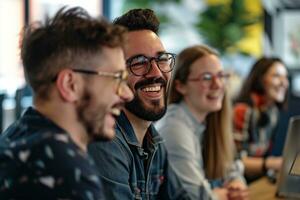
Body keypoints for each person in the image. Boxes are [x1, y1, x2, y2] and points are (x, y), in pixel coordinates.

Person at [0, 7, 133, 199]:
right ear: (70, 85)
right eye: (117, 78)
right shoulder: (66, 170)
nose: (127, 94)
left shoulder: (16, 138)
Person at [88, 8, 192, 200]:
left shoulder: (154, 142)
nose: (156, 73)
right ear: (115, 74)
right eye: (138, 62)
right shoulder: (104, 142)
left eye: (161, 59)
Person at [155, 45, 248, 200]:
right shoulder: (174, 128)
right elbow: (196, 197)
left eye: (221, 76)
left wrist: (236, 184)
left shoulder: (208, 121)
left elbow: (232, 169)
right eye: (206, 77)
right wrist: (217, 195)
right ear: (180, 86)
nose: (217, 84)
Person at [233, 57, 289, 182]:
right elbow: (233, 162)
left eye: (285, 77)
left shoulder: (273, 111)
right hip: (237, 182)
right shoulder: (242, 111)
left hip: (256, 180)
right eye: (276, 76)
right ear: (260, 80)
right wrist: (272, 163)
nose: (284, 82)